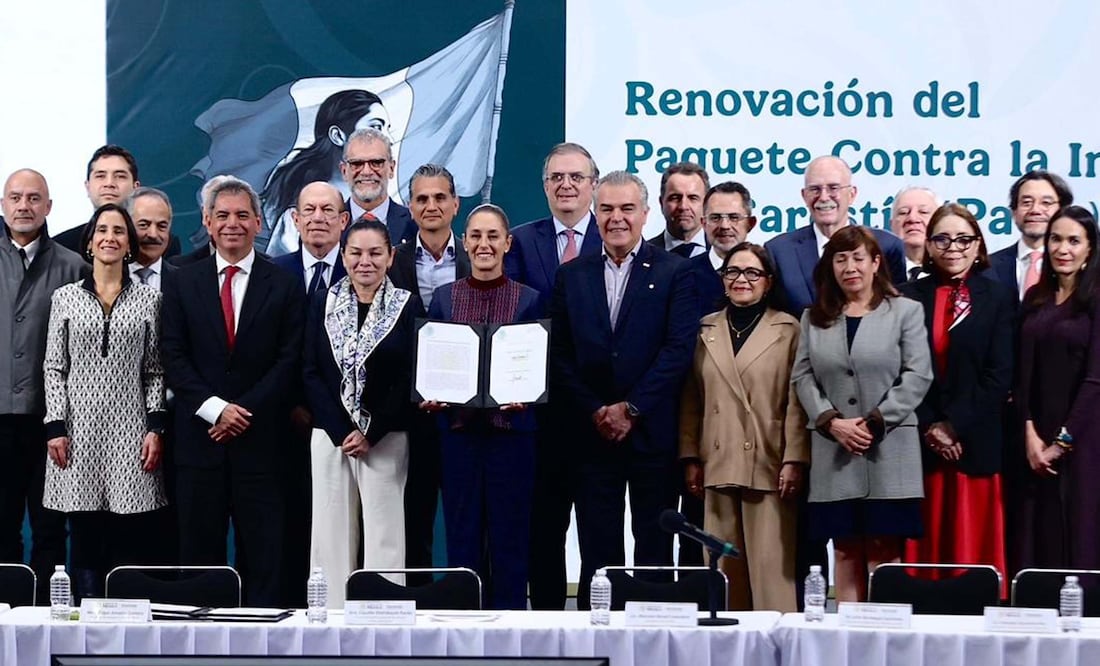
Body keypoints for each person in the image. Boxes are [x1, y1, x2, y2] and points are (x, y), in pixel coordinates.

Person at [550, 170, 698, 608]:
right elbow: (559, 355)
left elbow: (678, 350)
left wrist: (631, 409)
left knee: (654, 546)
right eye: (608, 208)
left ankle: (652, 638)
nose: (617, 218)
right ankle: (598, 636)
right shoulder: (571, 275)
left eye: (627, 209)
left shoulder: (676, 272)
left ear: (645, 214)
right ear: (595, 213)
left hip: (651, 434)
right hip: (592, 435)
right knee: (598, 550)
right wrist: (597, 409)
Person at [160, 176, 305, 606]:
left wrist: (242, 411)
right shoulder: (183, 281)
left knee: (263, 560)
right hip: (199, 445)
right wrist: (215, 410)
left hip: (261, 446)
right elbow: (173, 355)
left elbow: (288, 359)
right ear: (206, 221)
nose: (232, 224)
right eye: (222, 215)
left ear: (259, 221)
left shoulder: (282, 283)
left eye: (242, 215)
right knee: (199, 560)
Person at [792, 225, 932, 602]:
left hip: (890, 451)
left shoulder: (905, 311)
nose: (849, 266)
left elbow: (918, 374)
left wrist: (874, 422)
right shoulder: (814, 317)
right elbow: (802, 377)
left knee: (885, 550)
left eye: (858, 258)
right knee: (844, 549)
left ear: (875, 263)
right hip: (834, 451)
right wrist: (830, 421)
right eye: (840, 258)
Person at [42, 204, 167, 599]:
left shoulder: (150, 300)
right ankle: (85, 621)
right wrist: (56, 426)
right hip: (77, 431)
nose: (109, 237)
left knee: (129, 532)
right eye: (102, 230)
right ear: (90, 241)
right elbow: (53, 366)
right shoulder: (64, 298)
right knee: (84, 532)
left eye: (118, 231)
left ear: (129, 243)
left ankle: (124, 622)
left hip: (131, 429)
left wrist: (155, 428)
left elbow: (155, 370)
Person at [424, 204, 542, 610]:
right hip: (459, 439)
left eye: (493, 236)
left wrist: (527, 393)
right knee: (462, 537)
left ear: (508, 243)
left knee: (510, 538)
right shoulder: (444, 298)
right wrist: (431, 394)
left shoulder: (530, 300)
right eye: (475, 235)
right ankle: (462, 625)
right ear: (464, 242)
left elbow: (541, 370)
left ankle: (510, 627)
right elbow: (431, 364)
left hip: (512, 438)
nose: (484, 244)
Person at [679, 242, 807, 611]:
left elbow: (797, 402)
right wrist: (690, 455)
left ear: (768, 281)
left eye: (752, 273)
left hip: (770, 465)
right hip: (716, 463)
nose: (741, 280)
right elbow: (691, 399)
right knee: (722, 580)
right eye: (733, 272)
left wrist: (795, 459)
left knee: (772, 580)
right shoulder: (705, 328)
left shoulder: (789, 329)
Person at [302, 218, 420, 606]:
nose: (364, 262)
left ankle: (383, 617)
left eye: (374, 253)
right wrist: (341, 430)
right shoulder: (323, 301)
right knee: (331, 530)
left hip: (385, 437)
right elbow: (310, 370)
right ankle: (331, 618)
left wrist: (372, 429)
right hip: (331, 436)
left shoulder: (406, 304)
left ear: (390, 258)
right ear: (344, 255)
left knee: (386, 530)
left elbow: (409, 375)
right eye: (355, 253)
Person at [504, 142, 602, 609]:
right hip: (539, 412)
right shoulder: (521, 241)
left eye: (576, 177)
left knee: (599, 530)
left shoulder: (616, 234)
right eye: (556, 178)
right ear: (544, 187)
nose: (566, 185)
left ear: (593, 185)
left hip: (599, 409)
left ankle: (595, 621)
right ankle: (544, 621)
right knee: (543, 527)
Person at [900, 203, 1015, 594]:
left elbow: (999, 374)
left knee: (973, 566)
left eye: (963, 239)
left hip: (975, 442)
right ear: (928, 245)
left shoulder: (998, 296)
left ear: (978, 244)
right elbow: (903, 371)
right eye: (942, 238)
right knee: (925, 567)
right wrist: (931, 424)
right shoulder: (908, 296)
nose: (953, 247)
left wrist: (953, 425)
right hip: (922, 443)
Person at [0, 169, 86, 603]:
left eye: (34, 198)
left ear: (49, 207)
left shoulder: (74, 267)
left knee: (51, 525)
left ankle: (46, 617)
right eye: (15, 197)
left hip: (53, 423)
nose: (24, 206)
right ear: (2, 204)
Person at [387, 163, 470, 583]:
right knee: (411, 519)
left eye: (440, 197)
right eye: (422, 198)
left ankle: (465, 602)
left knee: (467, 519)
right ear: (411, 207)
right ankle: (416, 608)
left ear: (455, 204)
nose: (431, 206)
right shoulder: (390, 262)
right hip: (407, 415)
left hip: (466, 417)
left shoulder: (478, 258)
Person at [1014, 205, 1100, 570]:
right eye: (1056, 239)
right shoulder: (1036, 299)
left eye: (1073, 241)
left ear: (1090, 250)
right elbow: (1023, 375)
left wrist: (1062, 444)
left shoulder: (1095, 300)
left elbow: (1096, 379)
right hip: (1034, 443)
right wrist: (1030, 433)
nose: (1063, 249)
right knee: (1036, 540)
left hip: (1084, 441)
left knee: (1080, 535)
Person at [765, 155, 907, 316]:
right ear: (804, 196)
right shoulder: (779, 251)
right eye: (815, 189)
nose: (824, 197)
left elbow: (898, 313)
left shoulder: (887, 246)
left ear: (852, 194)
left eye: (833, 188)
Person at [261, 90, 390, 254]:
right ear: (337, 136)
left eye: (386, 128)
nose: (388, 139)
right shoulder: (297, 217)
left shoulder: (387, 209)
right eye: (376, 127)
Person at [56, 145, 182, 259]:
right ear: (87, 187)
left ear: (136, 187)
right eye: (100, 176)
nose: (109, 183)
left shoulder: (162, 244)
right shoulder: (62, 246)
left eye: (120, 176)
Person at [987, 171, 1074, 300]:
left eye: (1046, 203)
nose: (1035, 210)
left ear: (1062, 210)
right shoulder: (988, 268)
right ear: (1013, 212)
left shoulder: (1076, 266)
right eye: (1026, 203)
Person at [338, 128, 416, 246]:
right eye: (357, 164)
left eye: (376, 163)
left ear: (391, 168)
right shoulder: (329, 224)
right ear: (344, 171)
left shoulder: (414, 223)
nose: (366, 171)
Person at [646, 162, 710, 258]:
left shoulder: (725, 253)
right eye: (675, 198)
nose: (683, 206)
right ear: (661, 203)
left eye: (693, 198)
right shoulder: (642, 254)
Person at [126, 187, 179, 289]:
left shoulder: (184, 282)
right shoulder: (105, 279)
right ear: (127, 226)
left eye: (161, 226)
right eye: (144, 225)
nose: (153, 234)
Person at [889, 187, 940, 282]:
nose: (912, 218)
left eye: (923, 212)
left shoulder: (952, 271)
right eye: (903, 212)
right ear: (891, 224)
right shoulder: (876, 273)